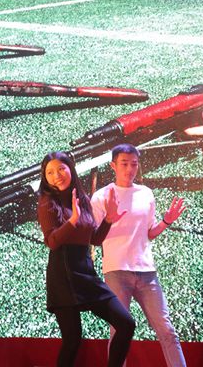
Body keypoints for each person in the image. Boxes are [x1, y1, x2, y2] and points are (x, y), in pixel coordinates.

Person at [91, 144, 187, 367]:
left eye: (134, 164)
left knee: (167, 330)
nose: (129, 169)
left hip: (146, 272)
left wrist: (166, 221)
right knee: (118, 332)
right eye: (124, 164)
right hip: (116, 271)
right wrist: (109, 220)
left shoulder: (145, 193)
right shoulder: (101, 196)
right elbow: (94, 237)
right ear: (113, 165)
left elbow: (149, 233)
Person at [37, 152, 135, 367]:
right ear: (45, 177)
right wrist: (72, 220)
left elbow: (95, 239)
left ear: (71, 169)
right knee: (72, 340)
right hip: (63, 275)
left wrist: (109, 219)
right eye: (50, 172)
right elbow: (52, 242)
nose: (57, 175)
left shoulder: (83, 200)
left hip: (86, 272)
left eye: (61, 169)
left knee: (126, 324)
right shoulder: (47, 202)